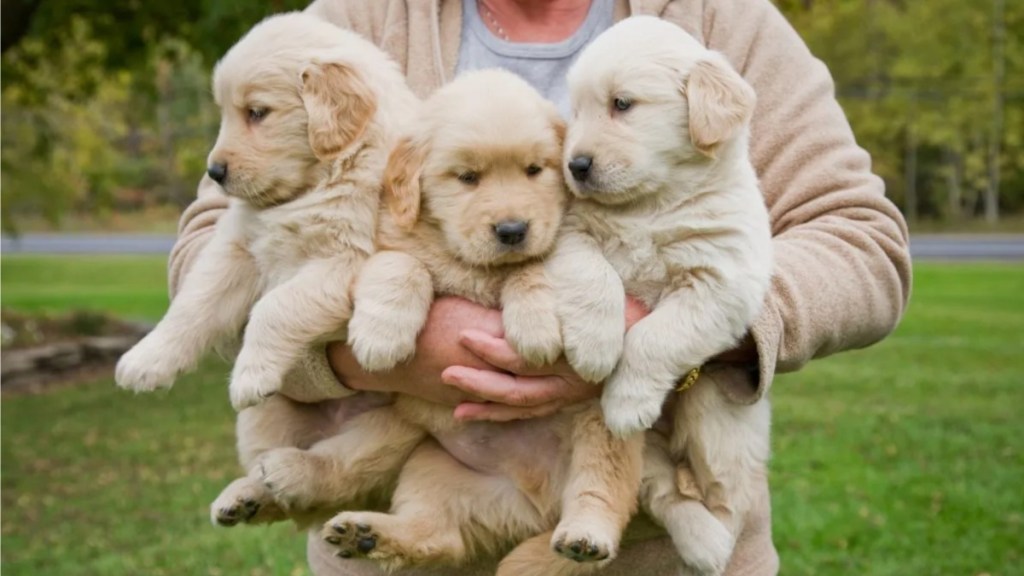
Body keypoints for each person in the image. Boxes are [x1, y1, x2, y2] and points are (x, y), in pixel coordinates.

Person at [168, 0, 912, 574]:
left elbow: (861, 238)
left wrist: (684, 329)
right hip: (396, 530)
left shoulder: (718, 18)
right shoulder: (358, 20)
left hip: (655, 561)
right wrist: (361, 358)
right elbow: (211, 246)